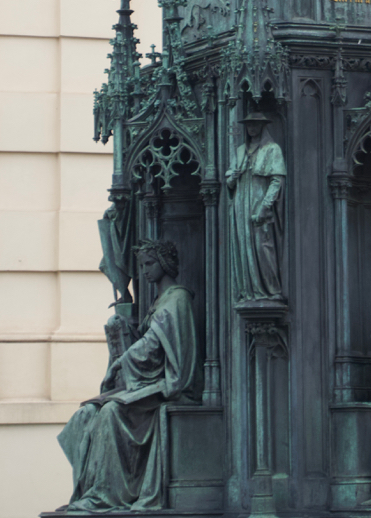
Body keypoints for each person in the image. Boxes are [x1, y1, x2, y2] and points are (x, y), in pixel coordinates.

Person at [58, 240, 197, 512]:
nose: (144, 271)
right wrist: (120, 330)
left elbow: (154, 346)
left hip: (169, 384)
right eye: (142, 265)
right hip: (147, 381)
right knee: (86, 413)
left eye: (149, 264)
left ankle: (108, 495)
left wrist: (123, 362)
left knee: (110, 412)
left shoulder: (177, 298)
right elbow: (146, 343)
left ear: (164, 264)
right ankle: (89, 492)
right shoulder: (159, 301)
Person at [226, 111, 286, 300]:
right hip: (240, 205)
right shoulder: (240, 150)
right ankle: (248, 291)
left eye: (255, 124)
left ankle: (271, 290)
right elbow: (229, 182)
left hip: (258, 202)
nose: (251, 128)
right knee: (242, 247)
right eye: (248, 124)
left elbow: (277, 180)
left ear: (262, 126)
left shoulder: (272, 149)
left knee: (263, 246)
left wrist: (264, 206)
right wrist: (232, 179)